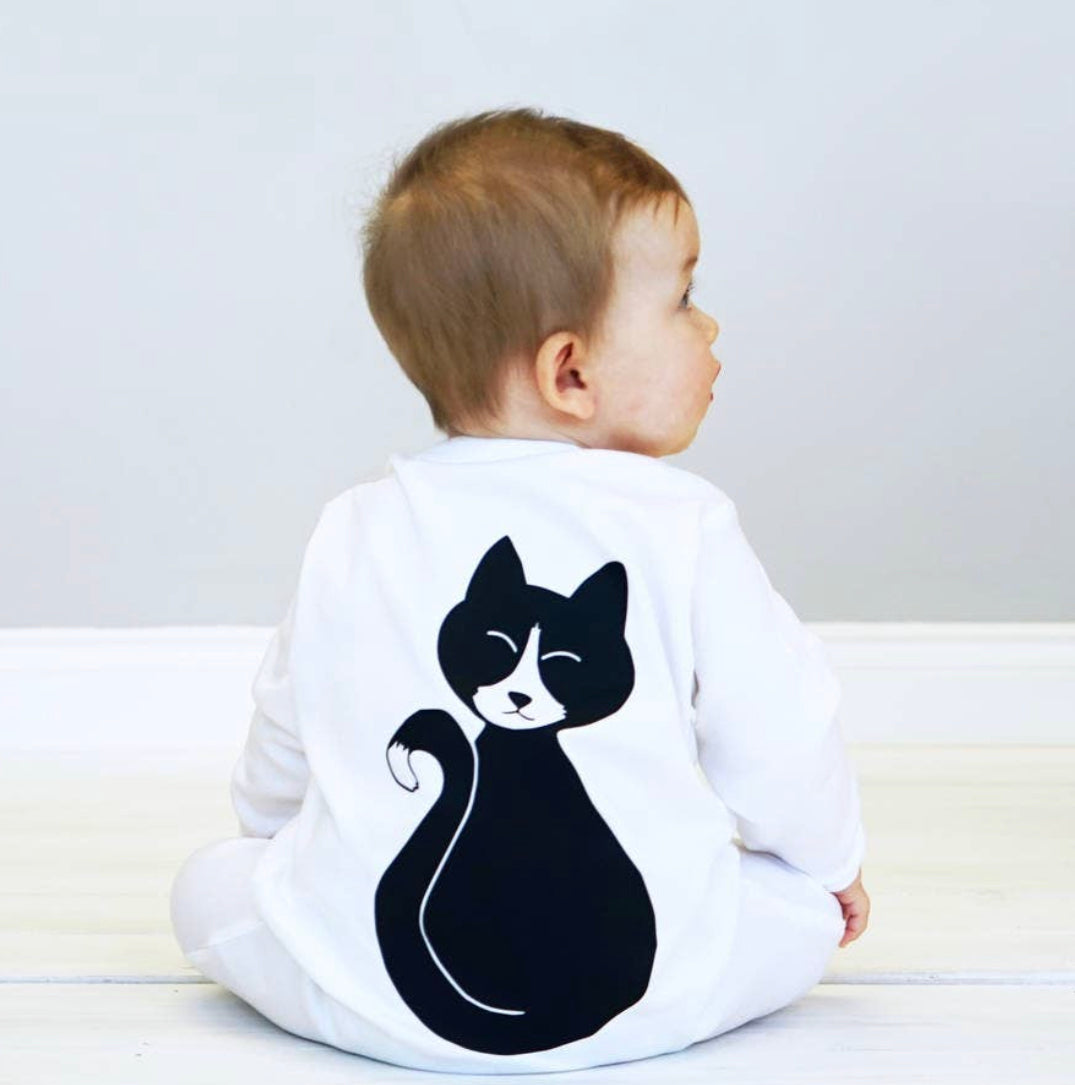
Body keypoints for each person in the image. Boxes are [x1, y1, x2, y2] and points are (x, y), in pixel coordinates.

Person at [170, 106, 870, 1075]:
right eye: (683, 298)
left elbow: (284, 737)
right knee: (799, 906)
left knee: (210, 884)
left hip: (361, 989)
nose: (709, 325)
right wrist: (831, 866)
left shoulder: (356, 524)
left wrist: (285, 844)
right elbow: (780, 734)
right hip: (646, 995)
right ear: (569, 370)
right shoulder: (683, 522)